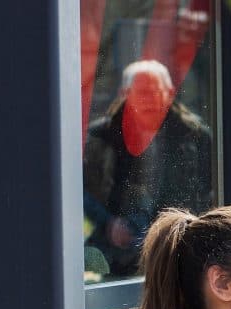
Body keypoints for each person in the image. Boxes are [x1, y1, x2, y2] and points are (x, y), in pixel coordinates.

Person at [83, 60, 213, 278]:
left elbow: (208, 190)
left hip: (177, 246)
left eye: (155, 92)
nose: (149, 100)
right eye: (142, 92)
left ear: (170, 92)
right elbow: (80, 190)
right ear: (125, 93)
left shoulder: (195, 135)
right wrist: (108, 222)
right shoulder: (100, 136)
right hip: (116, 251)